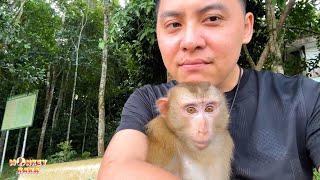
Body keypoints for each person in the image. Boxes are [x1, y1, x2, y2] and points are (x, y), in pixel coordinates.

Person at [98, 0, 320, 179]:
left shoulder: (304, 98)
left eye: (212, 19)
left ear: (246, 28)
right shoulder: (149, 101)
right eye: (174, 24)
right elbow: (116, 169)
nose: (190, 41)